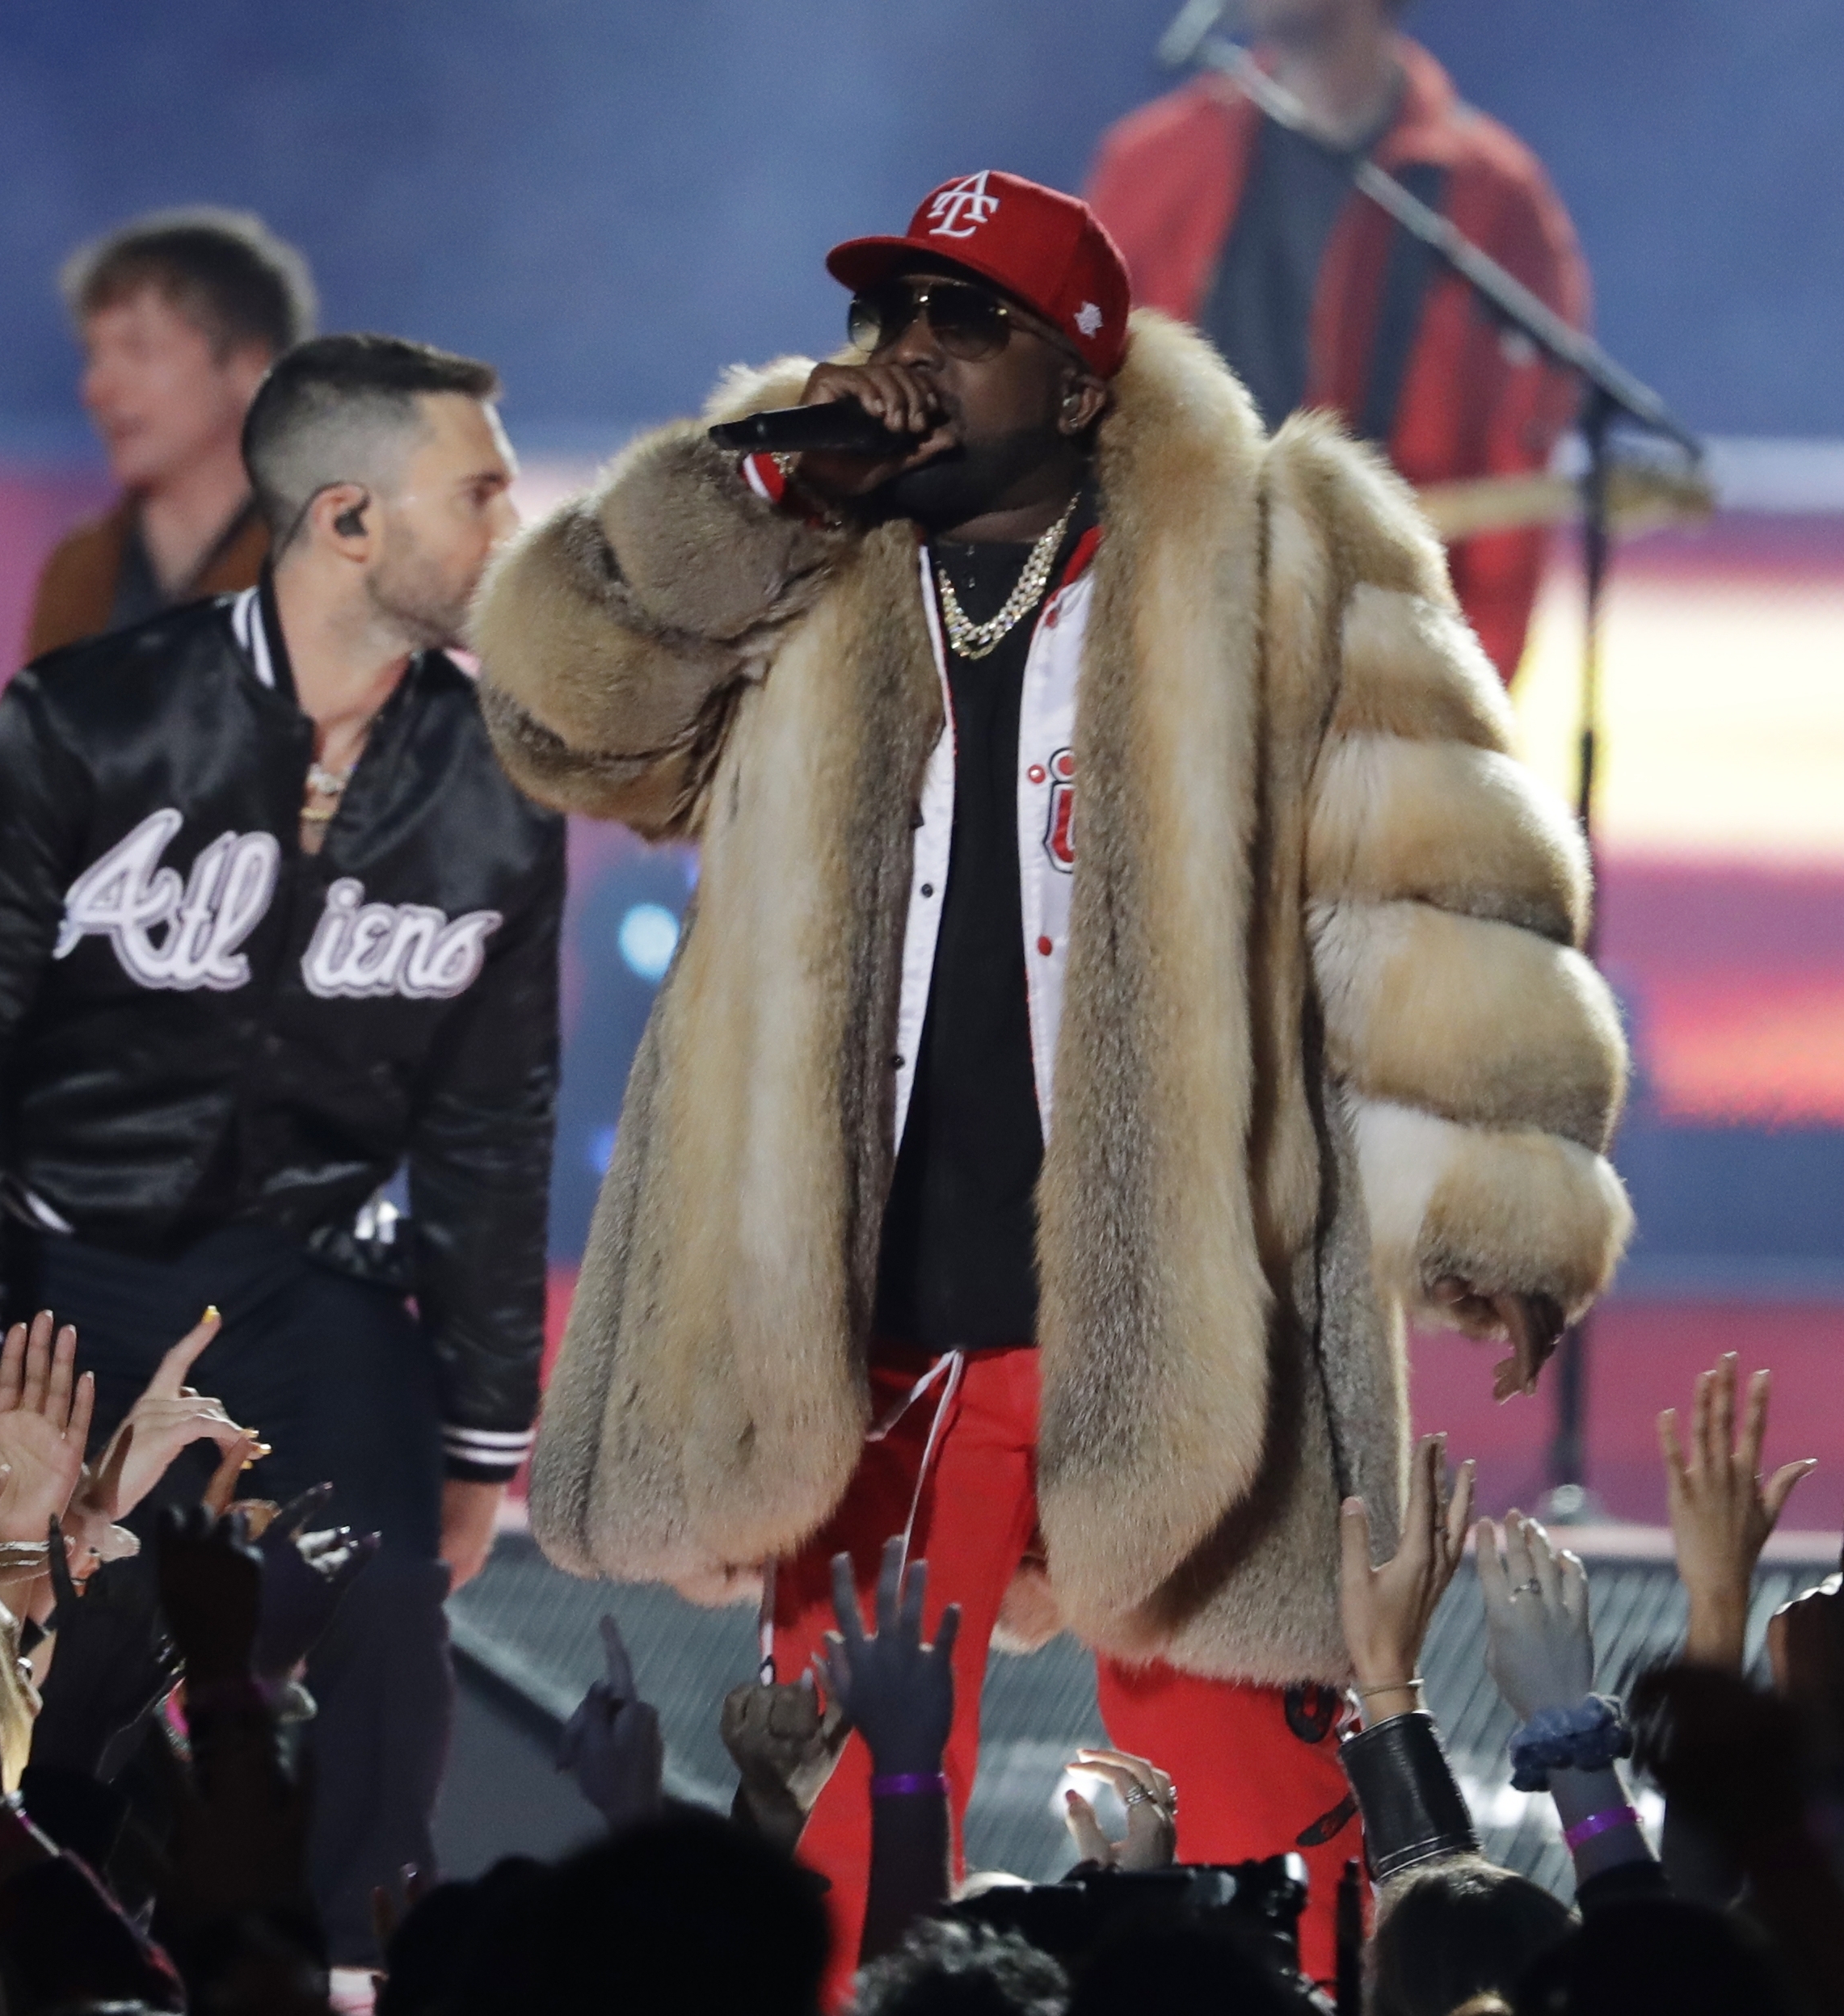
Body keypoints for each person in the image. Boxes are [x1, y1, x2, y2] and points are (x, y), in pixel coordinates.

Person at [472, 170, 1628, 1983]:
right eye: (888, 317)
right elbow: (559, 710)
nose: (906, 357)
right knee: (845, 1846)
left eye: (963, 322)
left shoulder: (1266, 549)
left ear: (1082, 381)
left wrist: (1501, 1196)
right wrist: (760, 485)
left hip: (1185, 1314)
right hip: (866, 1333)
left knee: (1268, 1848)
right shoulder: (793, 552)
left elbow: (1441, 876)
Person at [0, 331, 561, 1961]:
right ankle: (35, 1961)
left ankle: (342, 1968)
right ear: (346, 519)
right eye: (477, 492)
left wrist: (477, 1422)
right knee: (72, 1669)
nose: (506, 528)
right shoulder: (90, 719)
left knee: (391, 1620)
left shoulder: (499, 783)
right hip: (64, 1270)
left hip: (315, 1279)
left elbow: (487, 1121)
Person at [1087, 0, 1589, 680]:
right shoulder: (1153, 161)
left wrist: (1470, 685)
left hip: (1376, 654)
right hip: (1177, 645)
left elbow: (1516, 453)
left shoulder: (1491, 194)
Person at [24, 208, 318, 659]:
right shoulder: (80, 572)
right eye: (94, 357)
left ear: (248, 366)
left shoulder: (335, 565)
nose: (96, 389)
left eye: (137, 349)